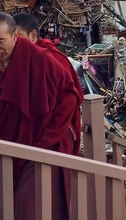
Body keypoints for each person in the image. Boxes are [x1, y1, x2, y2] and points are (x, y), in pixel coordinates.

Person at [0, 12, 82, 220]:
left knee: (33, 199)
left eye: (0, 40)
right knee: (21, 205)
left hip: (49, 142)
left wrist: (46, 141)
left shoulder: (42, 60)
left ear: (15, 36)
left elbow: (70, 97)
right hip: (16, 144)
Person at [13, 12, 84, 154]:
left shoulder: (52, 58)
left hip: (55, 135)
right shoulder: (20, 58)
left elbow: (70, 99)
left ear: (33, 36)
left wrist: (47, 138)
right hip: (29, 133)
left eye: (18, 37)